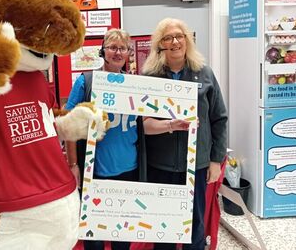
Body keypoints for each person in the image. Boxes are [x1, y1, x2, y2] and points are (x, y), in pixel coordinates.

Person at [141, 18, 228, 250]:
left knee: (196, 223)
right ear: (160, 44)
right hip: (161, 164)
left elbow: (219, 119)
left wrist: (215, 160)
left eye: (179, 36)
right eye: (168, 38)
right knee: (164, 225)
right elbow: (142, 123)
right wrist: (168, 124)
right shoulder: (150, 77)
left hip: (197, 164)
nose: (175, 41)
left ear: (187, 40)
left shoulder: (205, 74)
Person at [65, 29, 145, 250]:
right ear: (103, 51)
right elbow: (68, 125)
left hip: (130, 170)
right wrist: (73, 165)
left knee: (122, 231)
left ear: (129, 52)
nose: (117, 52)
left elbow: (144, 123)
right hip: (96, 171)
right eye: (112, 47)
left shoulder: (137, 85)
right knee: (95, 234)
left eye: (122, 48)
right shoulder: (86, 82)